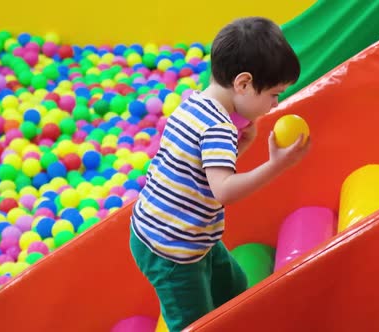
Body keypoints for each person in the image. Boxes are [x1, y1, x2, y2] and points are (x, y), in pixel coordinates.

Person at [129, 16, 310, 331]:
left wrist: (242, 146)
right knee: (193, 323)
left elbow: (198, 171)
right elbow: (223, 190)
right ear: (243, 84)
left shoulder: (195, 105)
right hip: (172, 249)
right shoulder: (219, 127)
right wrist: (276, 165)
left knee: (234, 287)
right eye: (273, 94)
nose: (275, 103)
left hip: (181, 231)